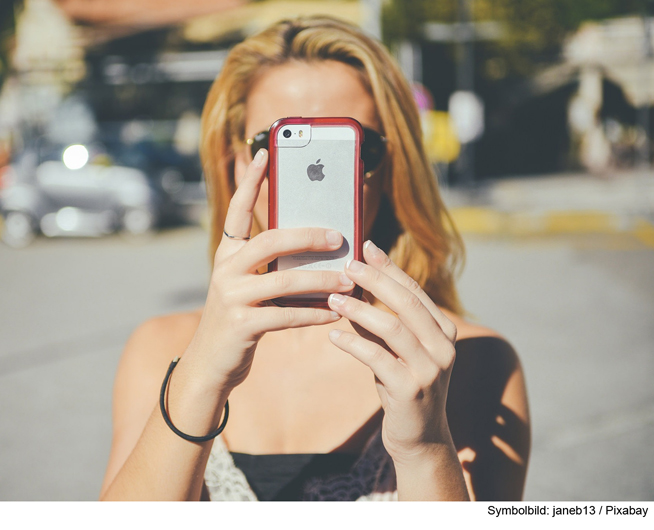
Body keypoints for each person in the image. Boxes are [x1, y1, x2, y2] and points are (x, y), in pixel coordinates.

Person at [99, 16, 530, 501]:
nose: (316, 177)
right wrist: (199, 379)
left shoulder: (465, 360)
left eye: (353, 148)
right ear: (236, 163)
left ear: (392, 168)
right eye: (278, 145)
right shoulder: (161, 350)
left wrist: (426, 448)